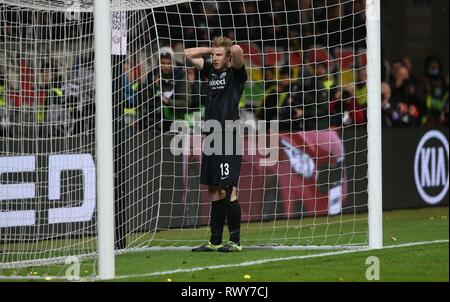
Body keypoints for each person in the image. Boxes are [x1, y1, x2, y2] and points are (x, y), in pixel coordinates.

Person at [184, 36, 247, 252]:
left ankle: (235, 241)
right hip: (210, 136)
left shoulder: (236, 74)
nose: (214, 58)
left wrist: (228, 52)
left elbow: (238, 50)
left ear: (228, 57)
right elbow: (188, 53)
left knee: (228, 188)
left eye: (219, 55)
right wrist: (213, 49)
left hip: (228, 135)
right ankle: (215, 240)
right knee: (213, 189)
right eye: (213, 55)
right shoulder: (210, 70)